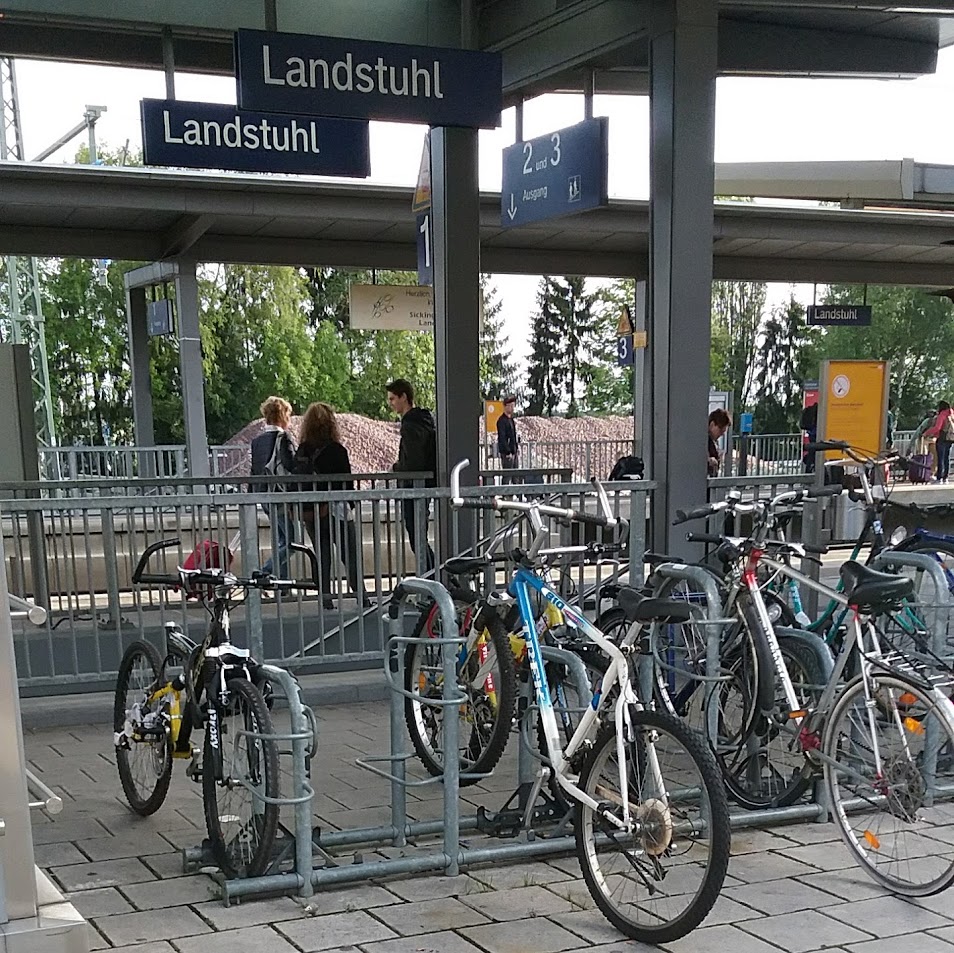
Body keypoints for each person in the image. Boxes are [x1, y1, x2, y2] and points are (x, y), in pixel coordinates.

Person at [294, 402, 370, 610]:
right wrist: (349, 505)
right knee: (350, 554)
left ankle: (326, 598)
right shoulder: (337, 450)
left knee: (322, 555)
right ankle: (361, 596)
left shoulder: (302, 450)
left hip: (312, 512)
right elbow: (346, 483)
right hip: (337, 511)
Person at [387, 378, 436, 574]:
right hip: (424, 486)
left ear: (404, 397)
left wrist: (396, 468)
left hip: (414, 487)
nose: (390, 403)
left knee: (417, 539)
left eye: (392, 398)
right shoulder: (425, 420)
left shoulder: (410, 425)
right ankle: (437, 577)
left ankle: (435, 579)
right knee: (419, 538)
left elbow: (413, 461)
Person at [249, 395, 296, 577]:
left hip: (264, 497)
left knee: (280, 540)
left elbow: (254, 470)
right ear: (283, 415)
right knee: (292, 542)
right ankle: (266, 570)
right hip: (280, 496)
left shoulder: (257, 442)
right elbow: (290, 466)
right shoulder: (283, 438)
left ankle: (281, 583)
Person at [927, 400, 954, 483]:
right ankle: (946, 478)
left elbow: (938, 428)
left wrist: (927, 433)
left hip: (942, 438)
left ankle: (939, 478)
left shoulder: (942, 414)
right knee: (946, 458)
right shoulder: (952, 414)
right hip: (950, 438)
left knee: (940, 458)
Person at [497, 395, 519, 482]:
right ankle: (505, 491)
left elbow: (513, 436)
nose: (512, 408)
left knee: (516, 476)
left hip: (513, 451)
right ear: (506, 406)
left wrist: (516, 448)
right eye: (511, 406)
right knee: (507, 476)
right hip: (507, 453)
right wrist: (507, 451)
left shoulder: (511, 420)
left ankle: (516, 490)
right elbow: (502, 438)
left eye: (513, 406)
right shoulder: (501, 421)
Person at [707, 408, 731, 478]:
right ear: (712, 425)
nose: (721, 434)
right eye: (720, 430)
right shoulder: (703, 441)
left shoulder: (714, 441)